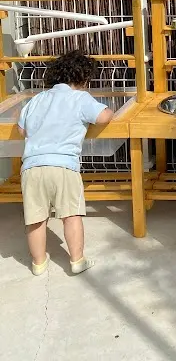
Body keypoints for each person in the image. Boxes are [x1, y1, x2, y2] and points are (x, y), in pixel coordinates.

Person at [17, 50, 114, 276]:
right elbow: (104, 116)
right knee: (71, 215)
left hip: (32, 167)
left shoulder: (37, 99)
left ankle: (39, 263)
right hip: (63, 166)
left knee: (35, 218)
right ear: (83, 78)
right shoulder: (80, 98)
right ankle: (77, 260)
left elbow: (22, 129)